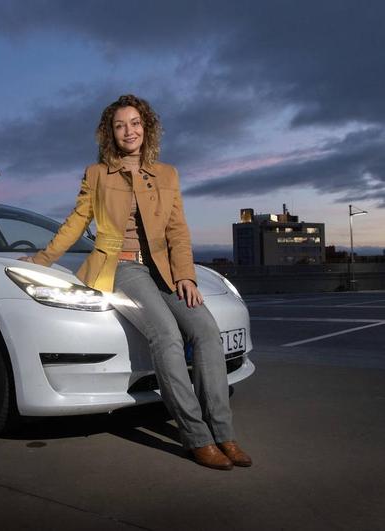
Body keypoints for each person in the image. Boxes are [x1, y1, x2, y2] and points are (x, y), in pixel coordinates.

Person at [20, 94, 252, 470]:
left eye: (135, 123)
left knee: (206, 330)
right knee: (167, 335)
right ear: (110, 133)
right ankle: (197, 437)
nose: (129, 131)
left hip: (163, 268)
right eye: (120, 125)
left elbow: (178, 230)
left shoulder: (167, 174)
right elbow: (76, 222)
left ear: (147, 127)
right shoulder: (97, 175)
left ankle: (224, 432)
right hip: (121, 267)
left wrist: (186, 276)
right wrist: (42, 258)